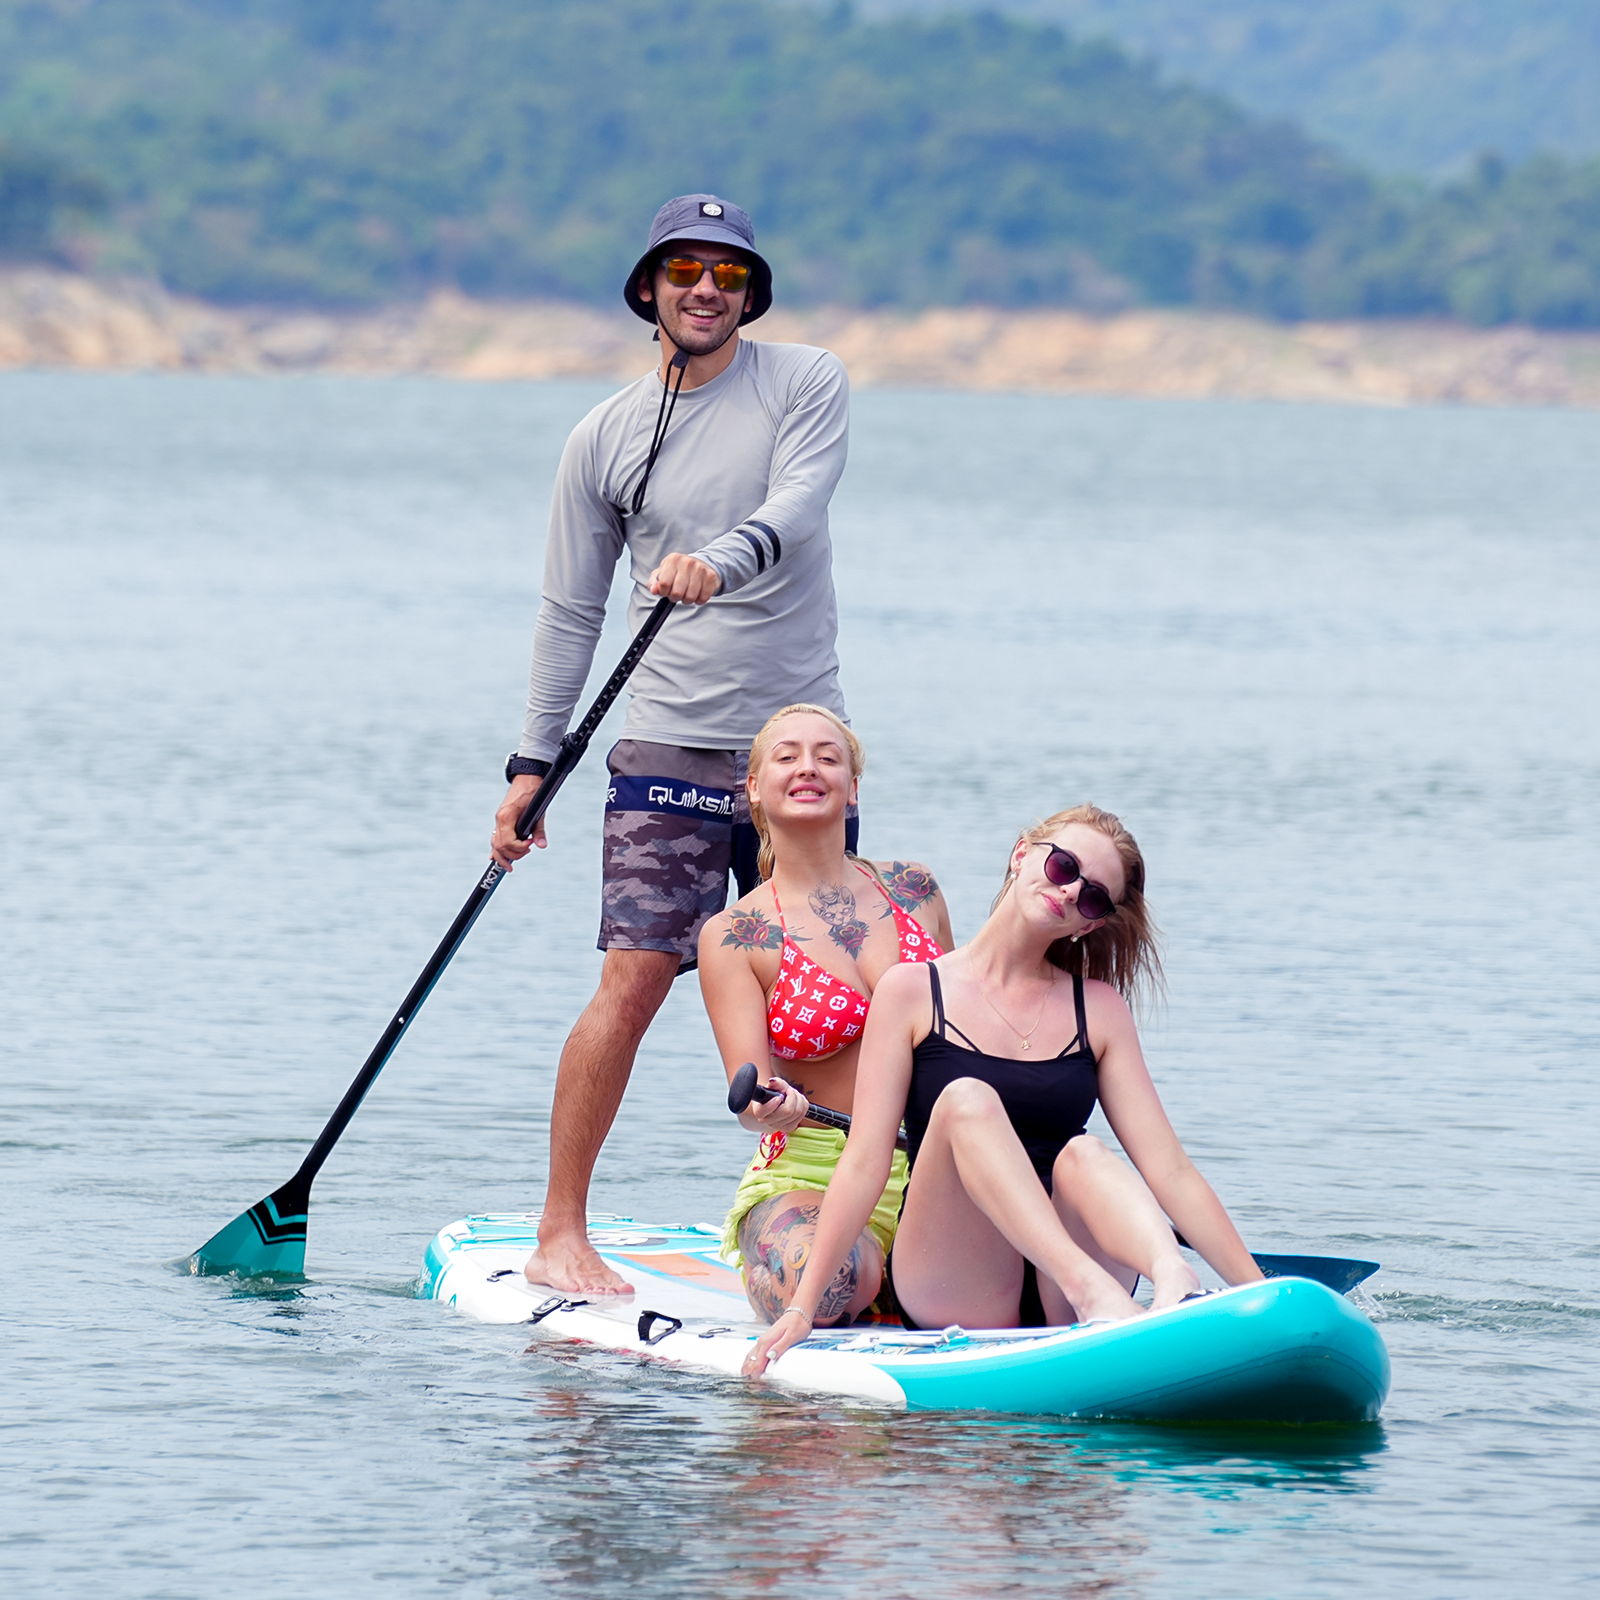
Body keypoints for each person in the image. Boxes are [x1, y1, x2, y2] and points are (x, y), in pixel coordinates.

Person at [490, 195, 854, 1296]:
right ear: (648, 288)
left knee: (830, 987)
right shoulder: (600, 437)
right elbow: (568, 613)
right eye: (685, 267)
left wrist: (721, 559)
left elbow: (800, 499)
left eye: (729, 273)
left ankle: (842, 1227)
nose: (708, 287)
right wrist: (530, 765)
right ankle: (562, 1232)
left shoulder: (805, 381)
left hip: (796, 745)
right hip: (666, 752)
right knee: (636, 979)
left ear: (751, 294)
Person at [743, 804, 1266, 1373]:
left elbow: (1171, 1171)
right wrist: (802, 1306)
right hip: (960, 1281)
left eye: (1092, 896)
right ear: (1023, 854)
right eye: (1064, 866)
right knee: (968, 1101)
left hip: (1066, 1297)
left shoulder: (1099, 1010)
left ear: (1091, 923)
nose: (1070, 891)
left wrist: (1263, 1301)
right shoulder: (913, 992)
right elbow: (866, 1161)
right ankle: (1092, 1290)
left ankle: (1172, 1277)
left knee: (1083, 1152)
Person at [697, 705, 954, 1325]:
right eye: (786, 756)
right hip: (812, 1171)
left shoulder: (916, 889)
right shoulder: (736, 935)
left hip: (937, 1166)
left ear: (853, 787)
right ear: (754, 788)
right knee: (834, 1278)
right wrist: (769, 1105)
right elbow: (752, 1095)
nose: (807, 767)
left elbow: (967, 1030)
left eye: (828, 756)